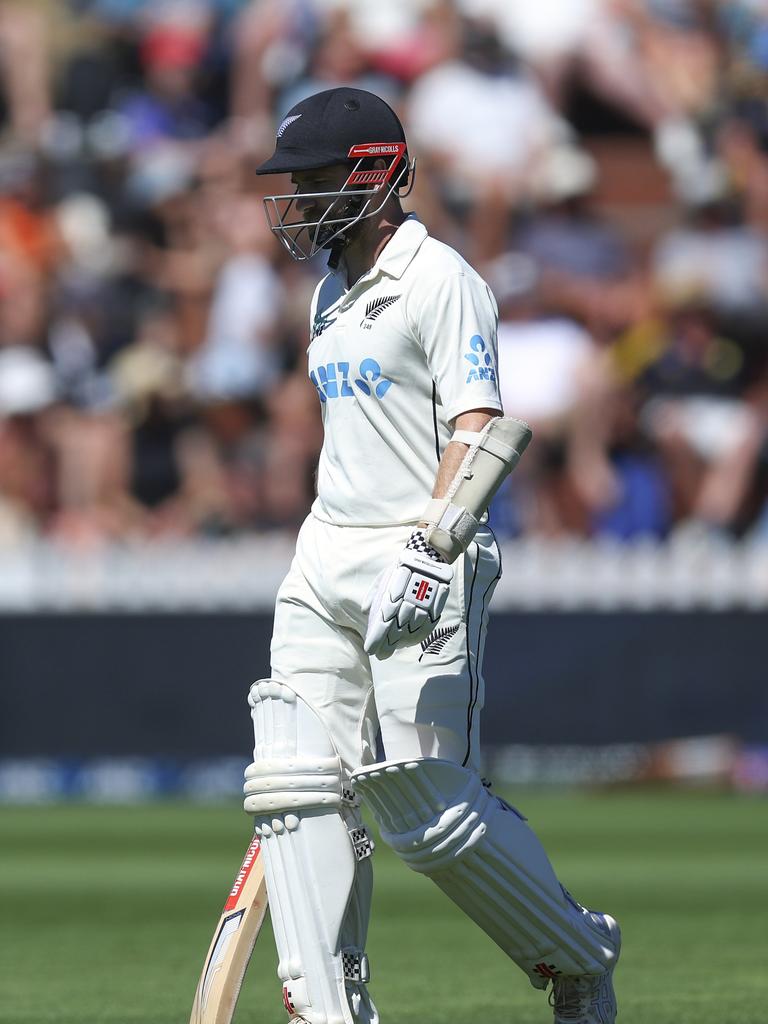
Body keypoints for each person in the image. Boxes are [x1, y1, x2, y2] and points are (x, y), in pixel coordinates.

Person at [243, 86, 620, 1024]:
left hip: (420, 554)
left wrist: (433, 541)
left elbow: (479, 423)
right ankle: (325, 1004)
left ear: (377, 173)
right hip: (324, 552)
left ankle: (577, 955)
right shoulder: (330, 289)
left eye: (321, 178)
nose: (302, 200)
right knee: (297, 788)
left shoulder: (442, 278)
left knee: (423, 804)